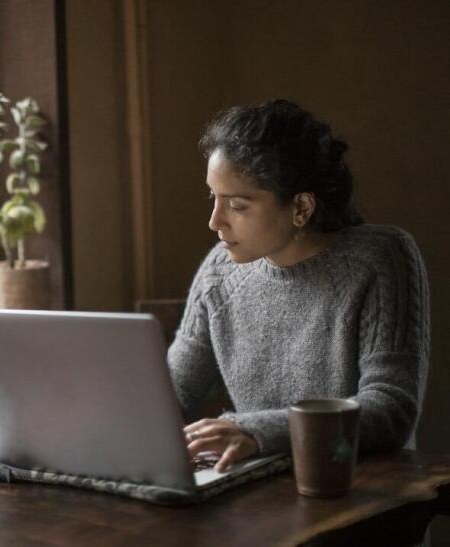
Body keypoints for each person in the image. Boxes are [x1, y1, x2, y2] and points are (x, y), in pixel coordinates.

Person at [168, 99, 430, 473]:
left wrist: (255, 430)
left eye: (237, 205)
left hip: (362, 490)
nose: (215, 221)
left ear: (301, 208)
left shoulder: (381, 259)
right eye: (214, 197)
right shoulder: (218, 271)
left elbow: (391, 409)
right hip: (260, 490)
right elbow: (172, 391)